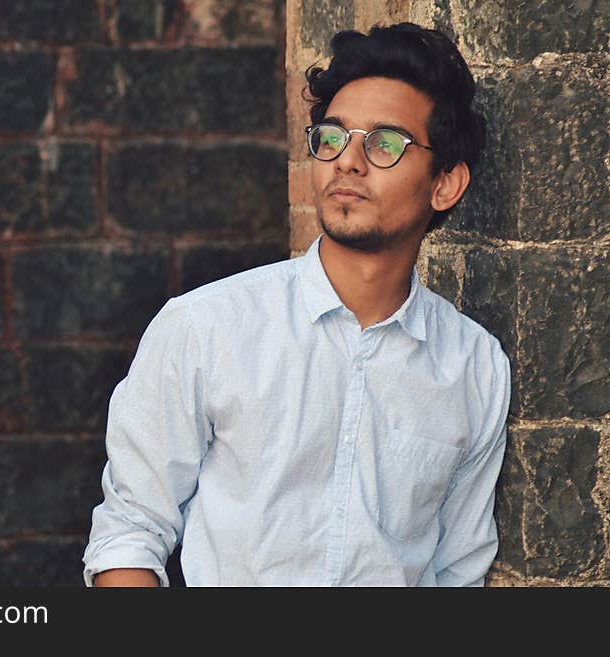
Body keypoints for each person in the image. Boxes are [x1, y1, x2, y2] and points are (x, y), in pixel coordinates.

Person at [82, 22, 511, 586]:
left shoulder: (474, 367)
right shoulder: (206, 327)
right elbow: (129, 531)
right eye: (333, 137)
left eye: (385, 144)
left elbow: (458, 574)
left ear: (446, 184)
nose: (348, 162)